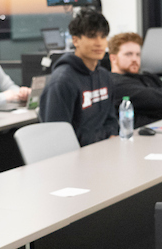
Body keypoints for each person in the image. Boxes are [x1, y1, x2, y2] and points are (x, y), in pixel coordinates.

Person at [38, 8, 118, 146]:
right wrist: (102, 138)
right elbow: (58, 138)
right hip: (74, 158)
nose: (99, 43)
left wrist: (108, 137)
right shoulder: (62, 82)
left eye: (103, 36)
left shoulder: (104, 76)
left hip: (103, 151)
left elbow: (112, 121)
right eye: (92, 36)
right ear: (76, 40)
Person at [108, 32, 162, 128]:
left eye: (138, 55)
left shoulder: (147, 77)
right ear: (113, 58)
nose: (134, 59)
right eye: (128, 54)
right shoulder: (114, 83)